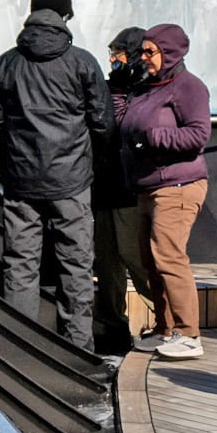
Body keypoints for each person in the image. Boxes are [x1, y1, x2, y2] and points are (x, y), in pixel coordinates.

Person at [0, 0, 112, 350]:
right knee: (76, 265)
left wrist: (10, 168)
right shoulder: (82, 63)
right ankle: (77, 350)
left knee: (20, 264)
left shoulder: (7, 64)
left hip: (21, 182)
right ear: (65, 15)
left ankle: (21, 349)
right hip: (71, 182)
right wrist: (88, 166)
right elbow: (103, 124)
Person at [118, 24, 214, 360]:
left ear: (169, 53)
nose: (143, 57)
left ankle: (188, 334)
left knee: (168, 257)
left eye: (151, 51)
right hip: (149, 185)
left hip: (178, 186)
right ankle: (165, 329)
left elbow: (199, 135)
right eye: (142, 51)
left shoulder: (189, 87)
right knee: (150, 260)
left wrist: (153, 138)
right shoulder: (149, 87)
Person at [92, 27, 154, 356]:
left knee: (135, 257)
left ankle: (168, 320)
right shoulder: (104, 88)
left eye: (117, 54)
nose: (112, 60)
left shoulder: (147, 90)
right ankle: (110, 326)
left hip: (131, 189)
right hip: (103, 186)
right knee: (107, 263)